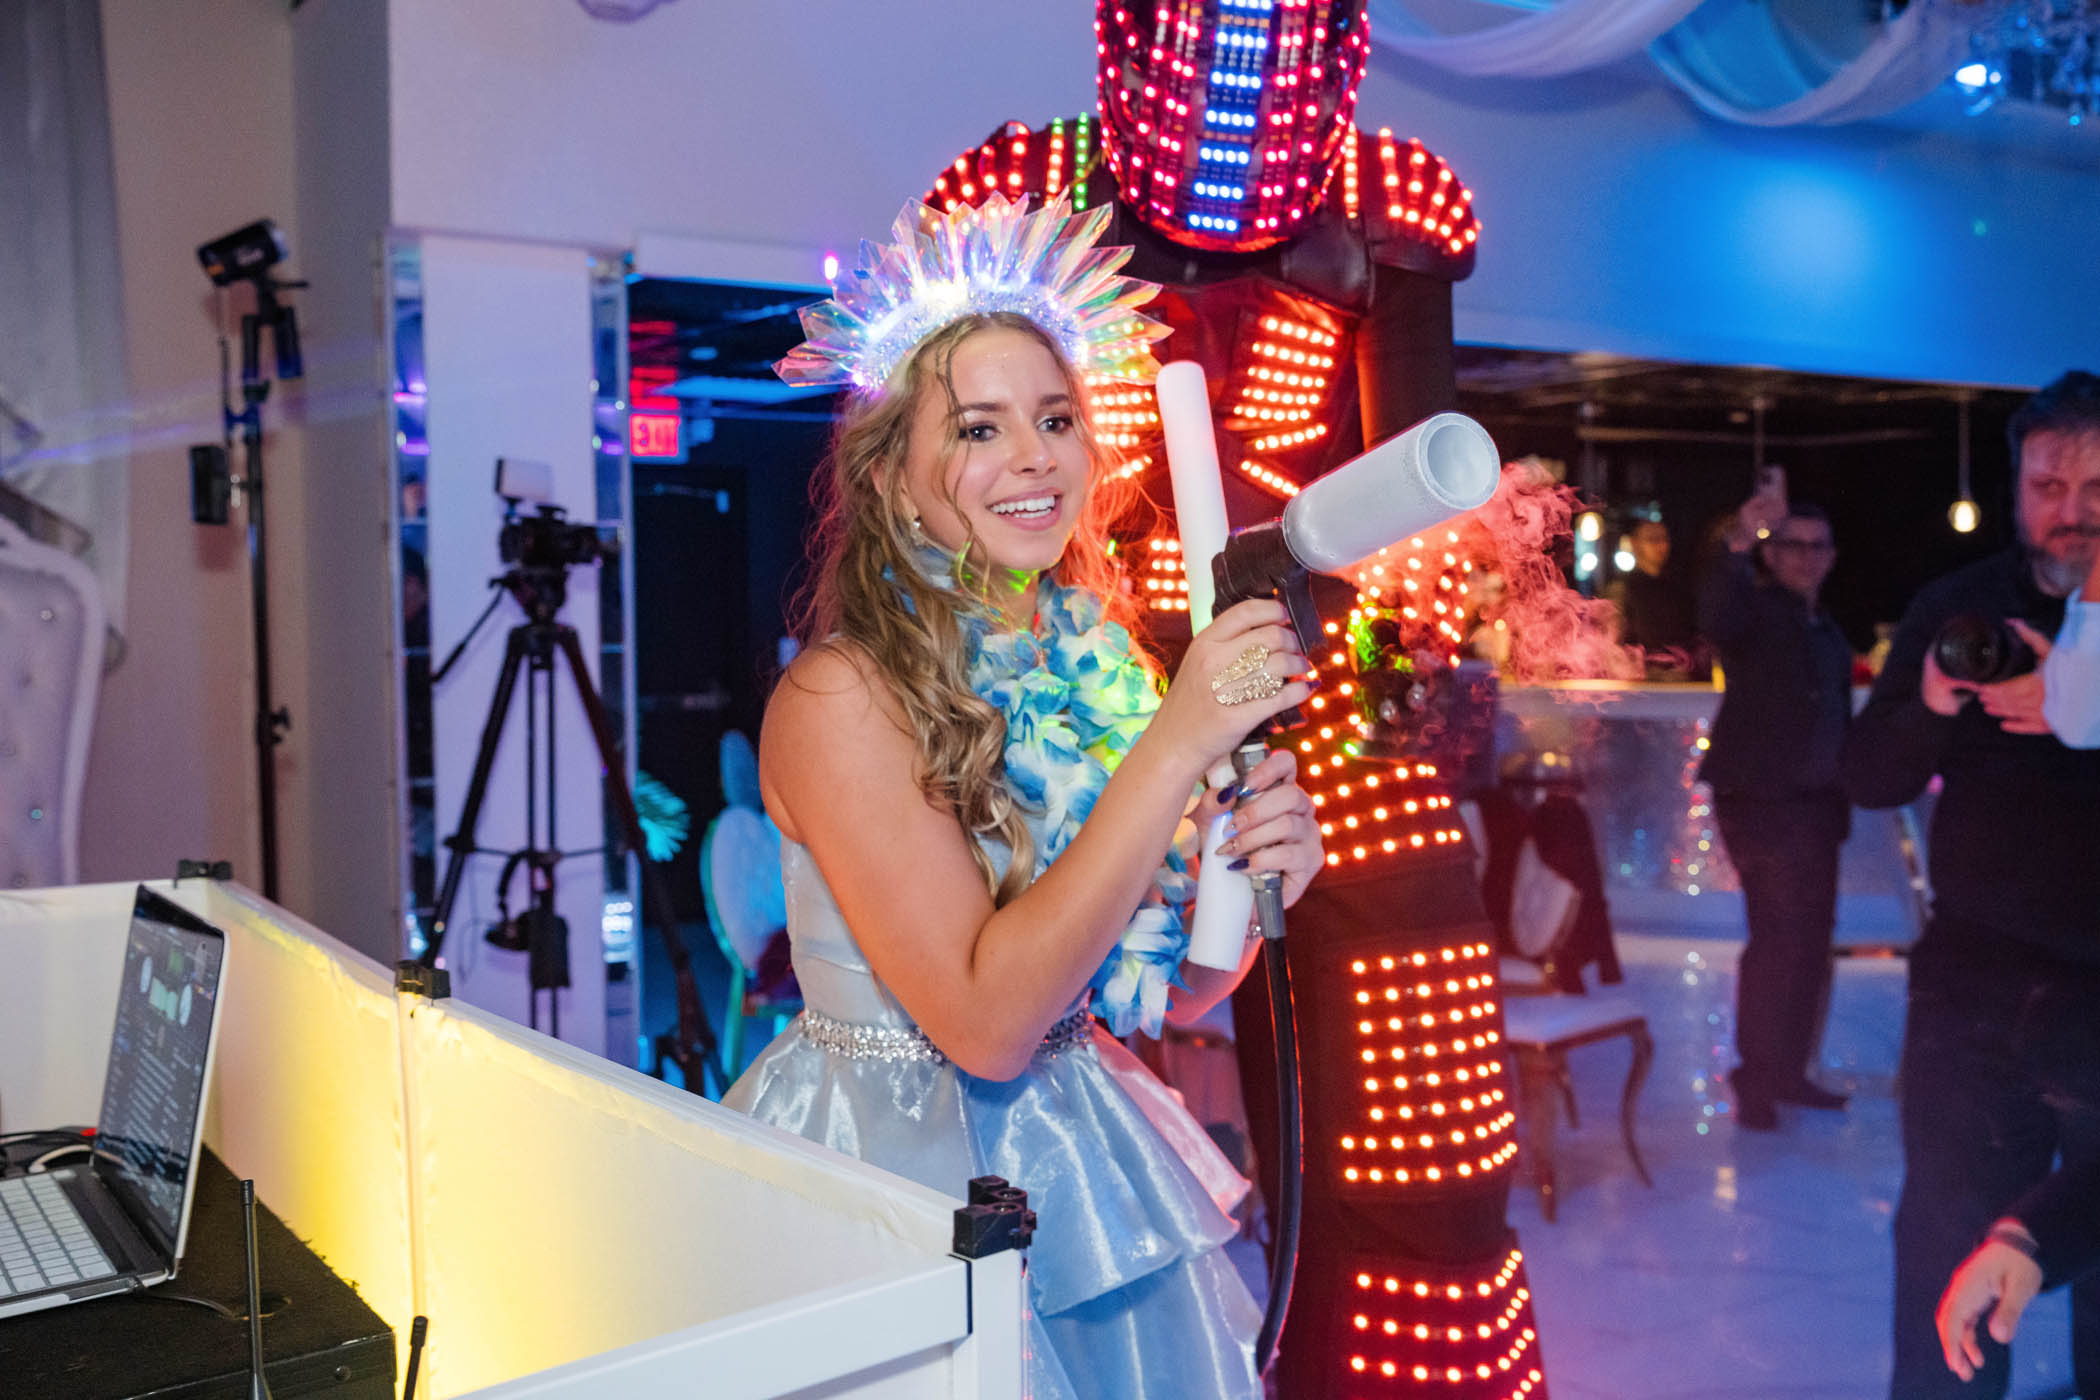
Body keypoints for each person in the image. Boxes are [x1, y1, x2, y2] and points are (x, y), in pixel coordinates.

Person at [723, 195, 1326, 1400]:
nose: (1035, 456)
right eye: (979, 428)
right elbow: (989, 1021)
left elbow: (1159, 989)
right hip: (892, 1172)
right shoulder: (845, 696)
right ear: (892, 476)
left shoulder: (1092, 665)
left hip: (1080, 1148)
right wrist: (1175, 744)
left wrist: (1252, 883)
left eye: (1055, 419)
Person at [1843, 369, 2100, 1400]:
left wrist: (2080, 703)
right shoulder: (1962, 606)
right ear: (2016, 486)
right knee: (1948, 1249)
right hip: (1975, 984)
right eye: (2049, 484)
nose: (2072, 510)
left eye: (2094, 484)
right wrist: (1940, 700)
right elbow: (1871, 775)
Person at [1697, 476, 1854, 1132]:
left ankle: (1786, 1071)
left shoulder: (1826, 630)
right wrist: (1739, 538)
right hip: (1762, 803)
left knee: (1809, 945)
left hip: (1816, 806)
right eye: (1793, 546)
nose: (1806, 558)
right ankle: (1757, 1077)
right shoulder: (1756, 613)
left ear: (1832, 556)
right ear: (1771, 553)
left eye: (1818, 548)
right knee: (1780, 940)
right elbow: (1716, 615)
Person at [1607, 516, 1699, 677]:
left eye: (1664, 538)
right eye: (1652, 539)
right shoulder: (1621, 589)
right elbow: (1612, 642)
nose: (1661, 545)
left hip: (1679, 675)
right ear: (1635, 544)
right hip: (1641, 679)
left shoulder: (1679, 589)